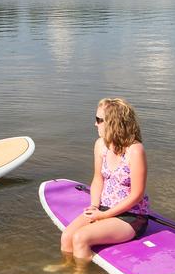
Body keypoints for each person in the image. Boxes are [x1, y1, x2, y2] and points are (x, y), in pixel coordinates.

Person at [60, 97, 151, 265]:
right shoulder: (100, 145)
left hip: (130, 215)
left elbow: (137, 195)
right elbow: (98, 178)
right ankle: (66, 266)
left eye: (99, 120)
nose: (95, 124)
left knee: (81, 238)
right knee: (67, 236)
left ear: (113, 123)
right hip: (103, 208)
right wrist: (94, 206)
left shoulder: (135, 150)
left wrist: (104, 215)